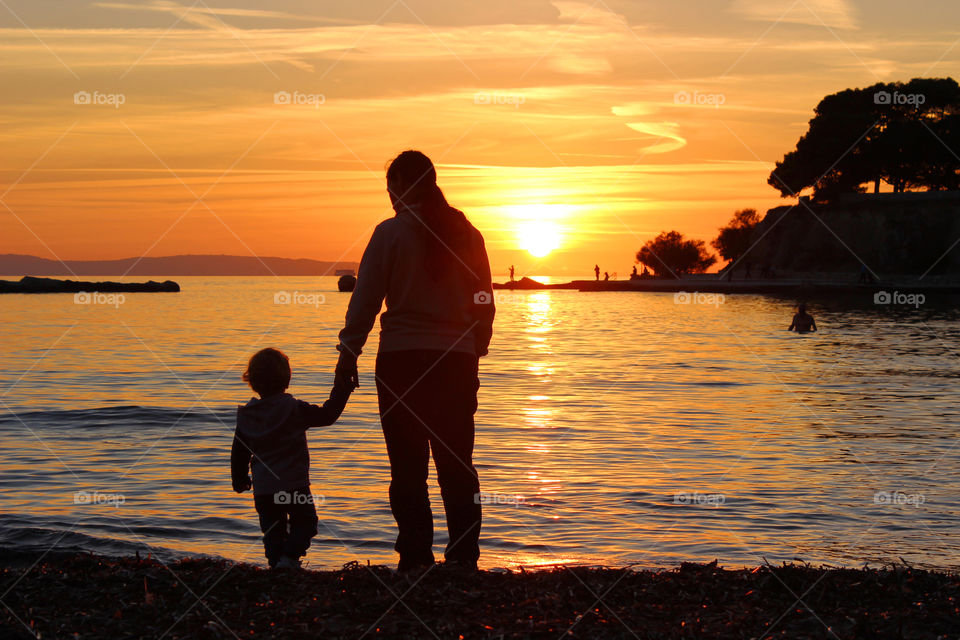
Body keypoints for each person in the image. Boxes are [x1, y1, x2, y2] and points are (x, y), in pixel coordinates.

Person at [335, 150, 495, 573]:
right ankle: (462, 559)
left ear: (404, 184)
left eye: (391, 187)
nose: (389, 197)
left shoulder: (390, 234)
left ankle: (415, 559)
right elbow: (484, 297)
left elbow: (365, 301)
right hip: (455, 362)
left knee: (407, 468)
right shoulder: (469, 235)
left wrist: (347, 353)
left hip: (402, 361)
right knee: (456, 464)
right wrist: (478, 341)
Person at [231, 348, 352, 569]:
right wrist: (342, 389)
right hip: (294, 487)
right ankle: (288, 560)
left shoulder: (248, 415)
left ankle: (277, 564)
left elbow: (239, 451)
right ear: (286, 379)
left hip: (264, 489)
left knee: (272, 531)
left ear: (252, 381)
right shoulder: (294, 409)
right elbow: (328, 415)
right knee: (306, 523)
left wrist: (239, 479)